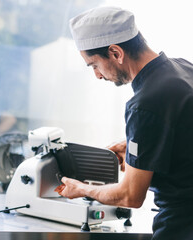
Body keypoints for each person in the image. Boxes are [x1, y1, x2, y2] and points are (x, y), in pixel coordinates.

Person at [54, 6, 193, 240]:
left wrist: (81, 189)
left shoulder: (144, 104)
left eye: (95, 65)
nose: (97, 75)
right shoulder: (183, 68)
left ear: (116, 53)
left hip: (182, 225)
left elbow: (130, 196)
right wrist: (139, 151)